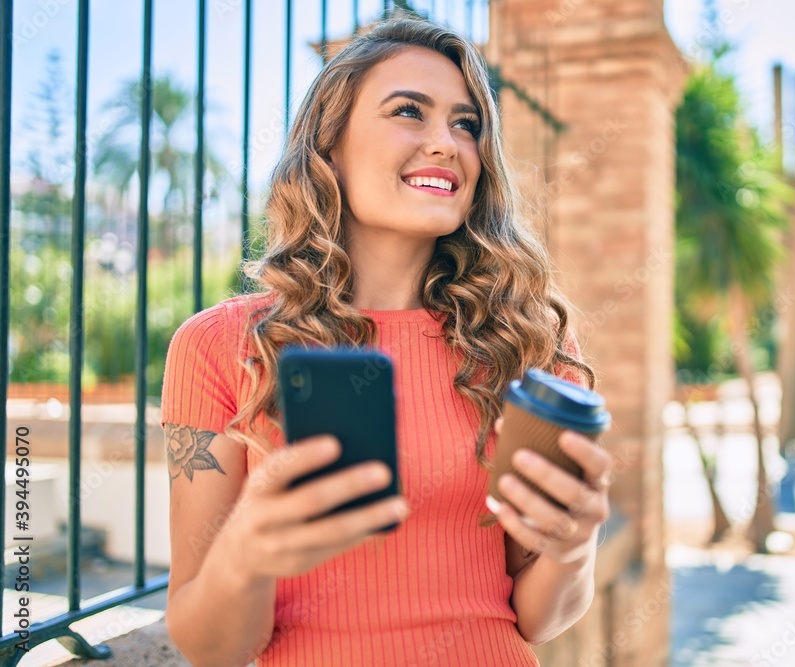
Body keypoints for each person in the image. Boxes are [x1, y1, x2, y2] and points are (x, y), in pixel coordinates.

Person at [160, 16, 612, 667]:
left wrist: (575, 544)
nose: (446, 143)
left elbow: (538, 618)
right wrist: (247, 553)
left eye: (466, 123)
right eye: (409, 111)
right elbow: (209, 645)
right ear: (329, 146)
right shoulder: (218, 346)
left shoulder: (526, 341)